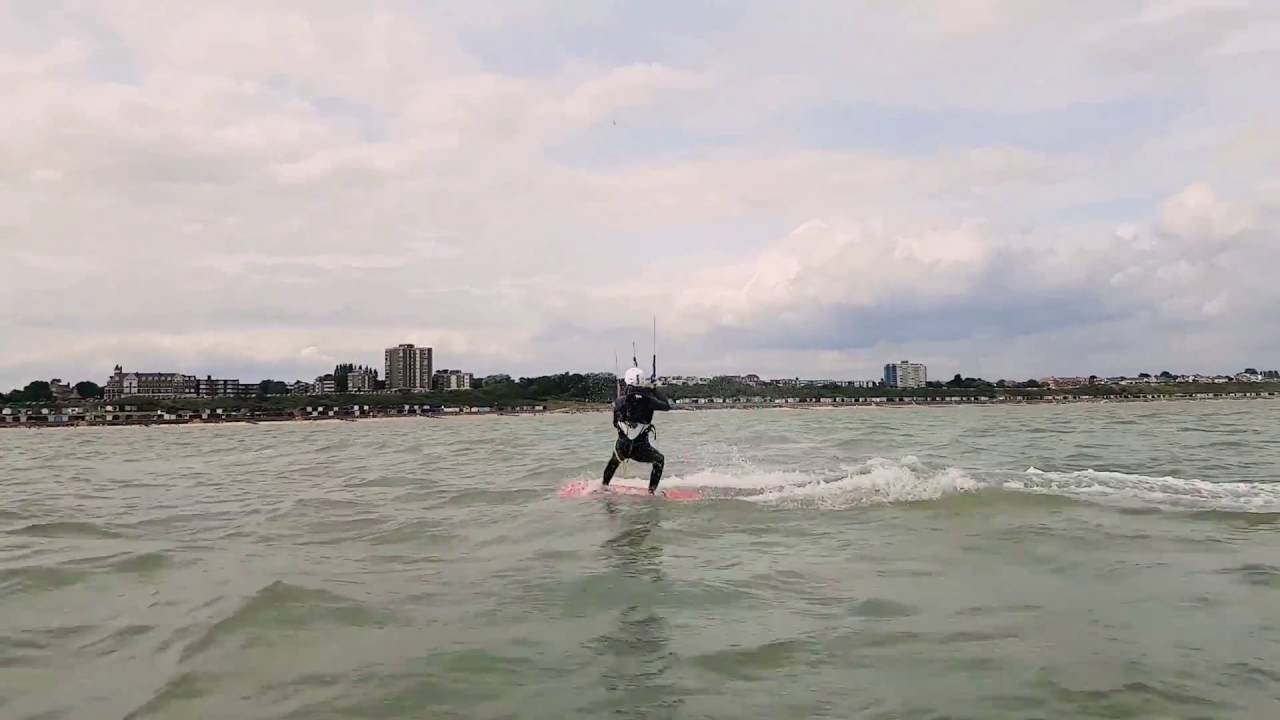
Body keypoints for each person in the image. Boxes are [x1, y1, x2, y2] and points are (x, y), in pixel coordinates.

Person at [603, 367, 672, 494]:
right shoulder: (649, 401)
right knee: (659, 460)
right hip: (641, 450)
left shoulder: (619, 401)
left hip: (622, 447)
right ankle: (651, 492)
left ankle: (604, 485)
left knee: (615, 459)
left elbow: (615, 424)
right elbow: (667, 406)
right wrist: (654, 389)